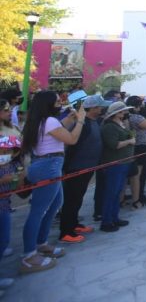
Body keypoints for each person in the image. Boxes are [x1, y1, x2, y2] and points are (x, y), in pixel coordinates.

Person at [20, 91, 85, 273]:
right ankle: (29, 255)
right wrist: (80, 120)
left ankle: (41, 243)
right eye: (58, 101)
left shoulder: (43, 121)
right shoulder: (49, 121)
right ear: (48, 104)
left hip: (48, 164)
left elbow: (57, 131)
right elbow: (71, 139)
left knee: (55, 204)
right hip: (48, 166)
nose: (61, 103)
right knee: (38, 211)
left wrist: (71, 119)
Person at [59, 95, 110, 243]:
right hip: (76, 168)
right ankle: (66, 231)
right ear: (93, 108)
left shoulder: (94, 122)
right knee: (71, 199)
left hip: (88, 167)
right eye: (100, 106)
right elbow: (72, 145)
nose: (102, 109)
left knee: (78, 198)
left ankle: (74, 224)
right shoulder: (82, 124)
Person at [99, 102, 136, 232]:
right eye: (121, 111)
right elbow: (113, 144)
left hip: (123, 162)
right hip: (114, 163)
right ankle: (107, 220)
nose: (124, 113)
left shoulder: (119, 124)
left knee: (117, 192)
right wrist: (129, 141)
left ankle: (114, 217)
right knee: (111, 192)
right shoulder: (109, 127)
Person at [0, 132, 23, 291]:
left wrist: (19, 177)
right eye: (2, 151)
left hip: (5, 206)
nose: (5, 155)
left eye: (9, 151)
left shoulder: (14, 165)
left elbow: (17, 189)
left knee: (4, 240)